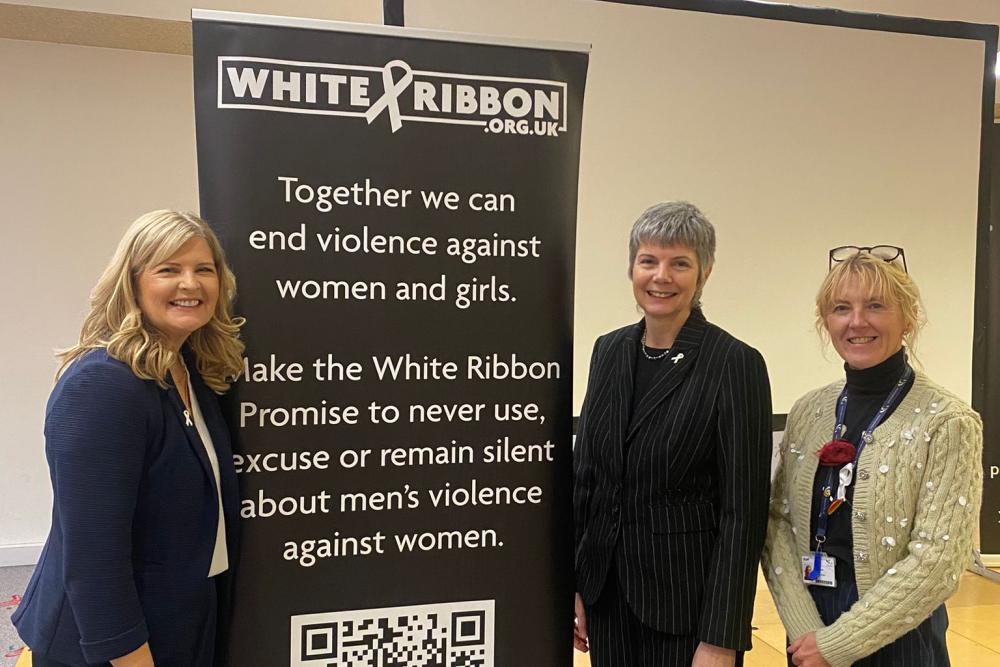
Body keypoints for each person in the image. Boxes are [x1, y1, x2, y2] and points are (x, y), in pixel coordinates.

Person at [13, 210, 245, 667]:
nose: (190, 284)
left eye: (204, 269)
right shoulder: (102, 384)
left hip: (183, 615)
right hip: (110, 643)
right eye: (168, 269)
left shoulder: (189, 371)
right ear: (133, 283)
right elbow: (93, 556)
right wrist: (130, 658)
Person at [573, 201, 773, 667]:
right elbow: (587, 480)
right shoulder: (608, 351)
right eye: (649, 260)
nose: (661, 276)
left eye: (679, 263)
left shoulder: (734, 363)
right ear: (632, 268)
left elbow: (742, 514)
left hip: (686, 614)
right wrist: (577, 585)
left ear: (703, 274)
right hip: (608, 602)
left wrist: (722, 637)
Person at [763, 248, 983, 667]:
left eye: (876, 306)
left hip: (900, 636)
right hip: (810, 631)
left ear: (909, 318)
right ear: (826, 321)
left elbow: (937, 560)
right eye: (841, 308)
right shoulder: (809, 410)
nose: (857, 321)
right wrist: (805, 628)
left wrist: (838, 645)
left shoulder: (949, 422)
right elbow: (778, 523)